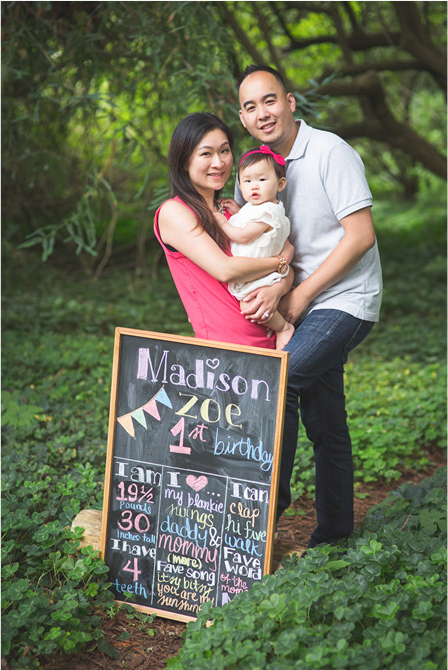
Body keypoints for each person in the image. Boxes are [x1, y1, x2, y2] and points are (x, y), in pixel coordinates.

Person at [235, 64, 382, 548]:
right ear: (242, 117)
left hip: (345, 299)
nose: (263, 113)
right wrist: (280, 285)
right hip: (303, 296)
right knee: (326, 424)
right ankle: (335, 537)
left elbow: (360, 237)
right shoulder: (257, 172)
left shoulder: (328, 151)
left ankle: (261, 520)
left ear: (291, 102)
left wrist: (297, 294)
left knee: (279, 382)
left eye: (270, 100)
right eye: (251, 106)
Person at [153, 112, 293, 350]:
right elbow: (226, 270)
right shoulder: (175, 213)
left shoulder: (235, 212)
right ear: (184, 160)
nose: (218, 163)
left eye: (224, 151)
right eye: (206, 153)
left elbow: (286, 256)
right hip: (223, 351)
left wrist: (277, 289)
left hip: (271, 339)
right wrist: (280, 262)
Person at [216, 145, 295, 350]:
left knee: (249, 304)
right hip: (259, 270)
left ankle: (282, 327)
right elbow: (252, 223)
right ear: (240, 185)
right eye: (248, 181)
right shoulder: (257, 208)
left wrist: (222, 221)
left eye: (262, 180)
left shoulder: (269, 211)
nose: (254, 186)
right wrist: (239, 211)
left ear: (280, 184)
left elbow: (243, 236)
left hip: (259, 275)